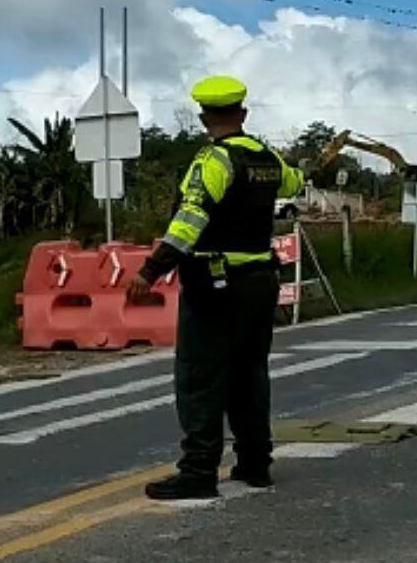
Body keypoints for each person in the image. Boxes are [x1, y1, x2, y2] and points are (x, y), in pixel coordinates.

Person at [126, 75, 304, 501]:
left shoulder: (213, 161)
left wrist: (150, 271)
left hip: (215, 284)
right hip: (260, 281)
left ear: (205, 119)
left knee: (200, 377)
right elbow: (294, 184)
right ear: (243, 113)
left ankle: (198, 471)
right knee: (249, 374)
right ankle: (255, 464)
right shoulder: (265, 158)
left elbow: (190, 221)